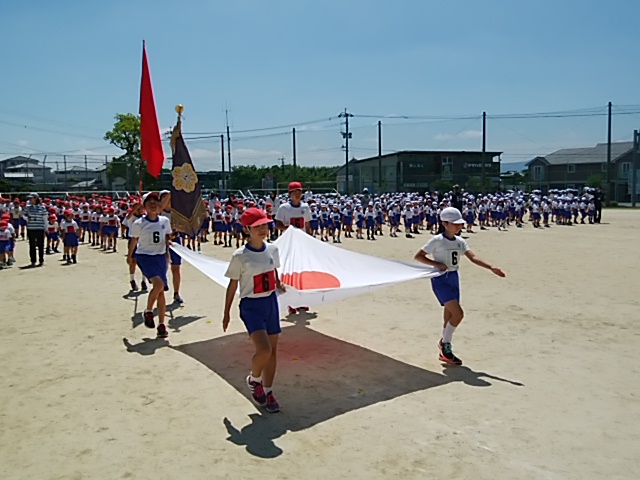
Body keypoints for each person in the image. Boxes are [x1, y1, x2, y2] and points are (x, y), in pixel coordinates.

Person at [413, 206, 506, 365]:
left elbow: (473, 257)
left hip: (454, 277)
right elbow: (419, 256)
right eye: (455, 224)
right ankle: (445, 344)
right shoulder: (437, 240)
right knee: (458, 314)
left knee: (449, 315)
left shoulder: (460, 241)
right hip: (441, 279)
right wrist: (436, 264)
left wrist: (491, 266)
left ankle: (445, 346)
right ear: (444, 223)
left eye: (460, 224)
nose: (459, 226)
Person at [223, 207, 286, 414]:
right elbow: (233, 284)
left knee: (273, 351)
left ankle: (268, 391)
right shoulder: (240, 256)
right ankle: (254, 379)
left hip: (270, 302)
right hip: (251, 306)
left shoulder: (273, 249)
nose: (263, 229)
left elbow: (273, 269)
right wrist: (226, 313)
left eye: (265, 224)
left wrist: (278, 283)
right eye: (257, 226)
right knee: (264, 350)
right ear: (247, 229)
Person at [127, 192, 172, 338]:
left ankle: (162, 324)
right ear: (144, 206)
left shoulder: (164, 221)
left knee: (161, 291)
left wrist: (169, 243)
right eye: (149, 203)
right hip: (145, 257)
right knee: (158, 285)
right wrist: (130, 256)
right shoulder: (139, 223)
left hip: (160, 257)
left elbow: (167, 236)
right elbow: (134, 240)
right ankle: (148, 311)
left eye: (155, 202)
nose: (153, 205)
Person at [274, 181, 312, 313]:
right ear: (290, 193)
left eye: (300, 191)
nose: (298, 194)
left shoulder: (305, 207)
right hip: (289, 244)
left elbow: (307, 225)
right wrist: (287, 228)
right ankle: (291, 302)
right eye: (295, 192)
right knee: (291, 272)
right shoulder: (284, 208)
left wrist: (310, 239)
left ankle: (302, 300)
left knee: (302, 272)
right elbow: (277, 224)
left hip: (302, 243)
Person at [24, 193, 47, 267]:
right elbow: (23, 215)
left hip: (40, 228)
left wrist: (46, 228)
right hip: (31, 228)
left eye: (32, 198)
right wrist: (27, 218)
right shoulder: (28, 207)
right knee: (32, 245)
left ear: (36, 198)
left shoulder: (42, 207)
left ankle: (41, 260)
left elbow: (45, 218)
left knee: (41, 245)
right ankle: (33, 260)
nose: (30, 199)